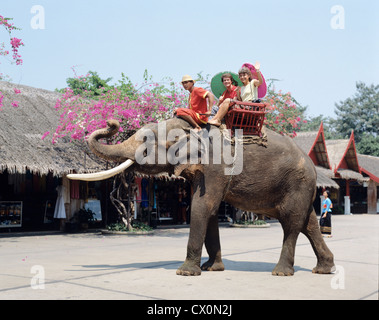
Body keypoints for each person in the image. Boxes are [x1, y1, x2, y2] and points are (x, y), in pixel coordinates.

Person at [208, 62, 263, 126]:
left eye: (244, 75)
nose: (242, 77)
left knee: (228, 100)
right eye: (240, 76)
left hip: (251, 106)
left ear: (248, 76)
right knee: (217, 107)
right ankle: (214, 119)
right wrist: (237, 93)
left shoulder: (252, 83)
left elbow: (260, 82)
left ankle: (217, 120)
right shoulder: (241, 88)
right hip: (244, 106)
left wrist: (257, 70)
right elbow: (241, 100)